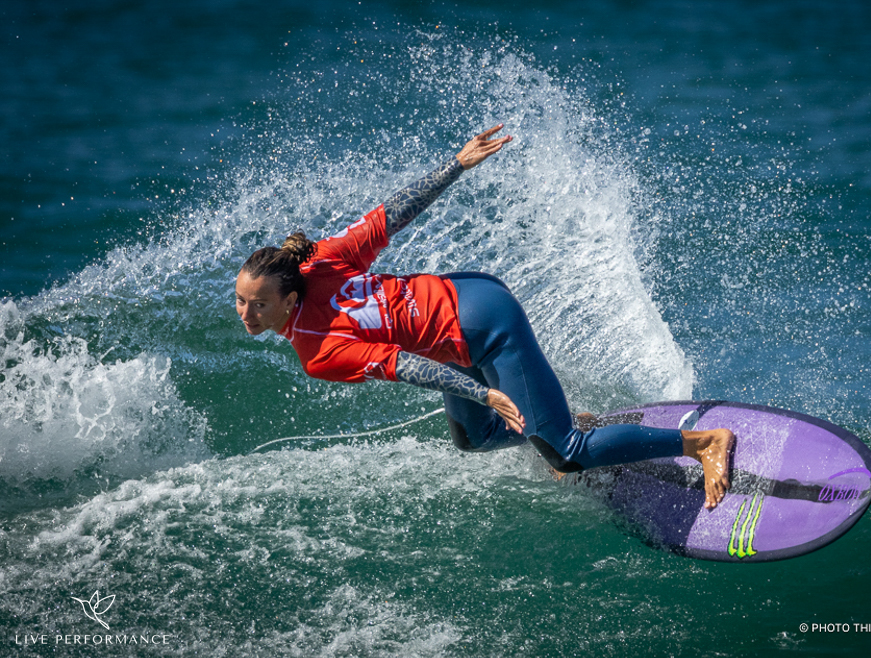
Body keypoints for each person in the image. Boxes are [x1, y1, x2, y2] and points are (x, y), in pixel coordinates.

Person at [235, 125, 734, 509]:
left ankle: (701, 443)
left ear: (290, 299)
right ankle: (560, 422)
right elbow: (392, 220)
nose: (247, 314)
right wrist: (479, 395)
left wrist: (455, 165)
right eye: (241, 300)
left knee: (567, 454)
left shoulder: (319, 331)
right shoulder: (315, 268)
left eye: (258, 304)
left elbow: (407, 355)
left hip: (482, 323)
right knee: (473, 438)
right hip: (460, 306)